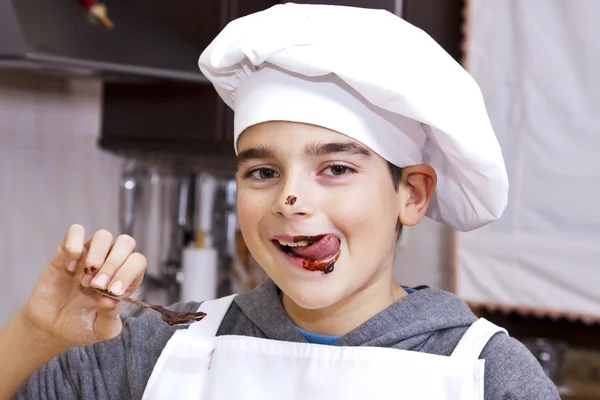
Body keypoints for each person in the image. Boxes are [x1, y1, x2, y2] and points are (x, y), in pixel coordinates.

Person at [0, 3, 560, 400]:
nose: (291, 199)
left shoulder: (485, 376)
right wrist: (36, 330)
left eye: (336, 168)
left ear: (409, 194)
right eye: (264, 171)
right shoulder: (151, 352)